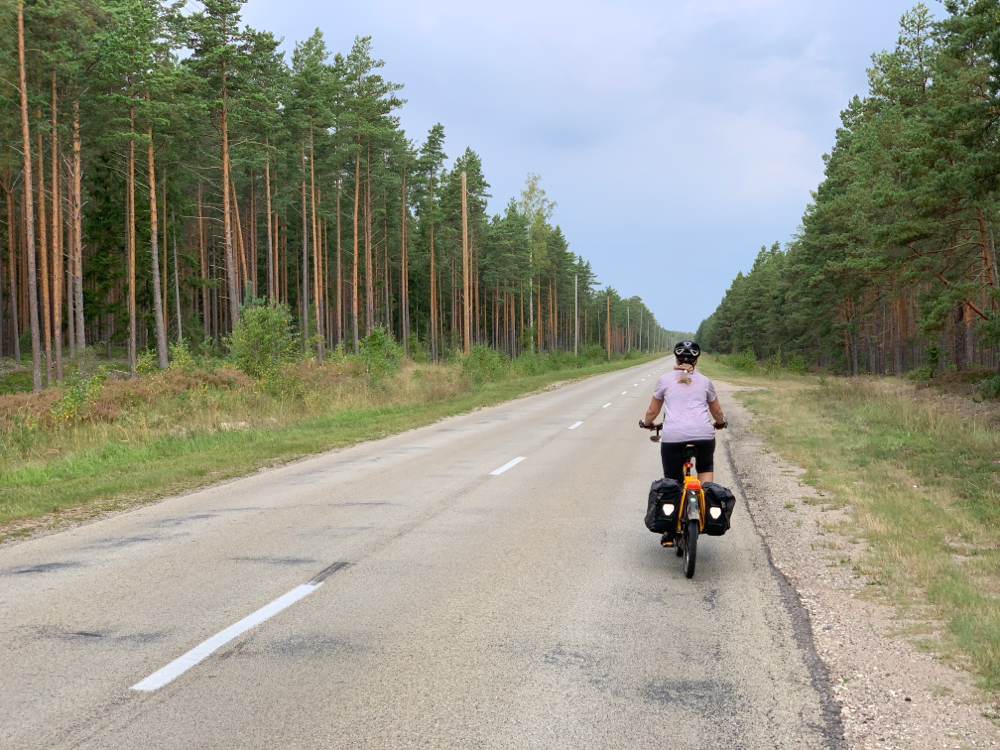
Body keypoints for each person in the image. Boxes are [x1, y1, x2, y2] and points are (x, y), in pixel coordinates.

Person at [640, 340, 727, 483]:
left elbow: (652, 412)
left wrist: (647, 424)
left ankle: (675, 502)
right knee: (705, 468)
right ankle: (706, 501)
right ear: (696, 359)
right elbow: (717, 412)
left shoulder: (664, 380)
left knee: (673, 482)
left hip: (673, 436)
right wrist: (720, 423)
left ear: (676, 357)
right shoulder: (705, 381)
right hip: (703, 436)